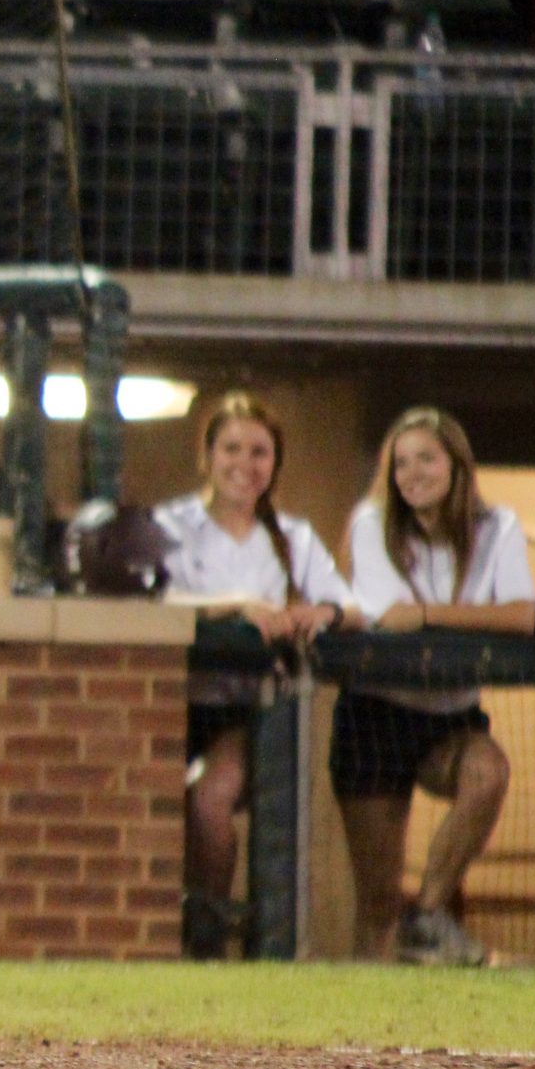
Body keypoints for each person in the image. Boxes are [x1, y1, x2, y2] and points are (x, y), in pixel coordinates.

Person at [149, 393, 359, 961]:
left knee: (209, 801)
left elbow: (351, 606)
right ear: (208, 455)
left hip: (249, 708)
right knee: (147, 809)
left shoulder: (292, 536)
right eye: (232, 448)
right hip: (167, 701)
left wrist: (323, 613)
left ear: (275, 462)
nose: (245, 463)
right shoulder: (172, 524)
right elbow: (157, 600)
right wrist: (237, 605)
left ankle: (206, 935)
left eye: (260, 452)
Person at [336, 408, 532, 967]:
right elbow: (388, 615)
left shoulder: (499, 526)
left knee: (489, 771)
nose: (412, 473)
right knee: (376, 903)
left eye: (426, 457)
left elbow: (520, 615)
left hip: (452, 713)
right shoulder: (372, 522)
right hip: (374, 710)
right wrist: (459, 615)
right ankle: (355, 1042)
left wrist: (427, 613)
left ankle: (427, 916)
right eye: (401, 462)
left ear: (456, 463)